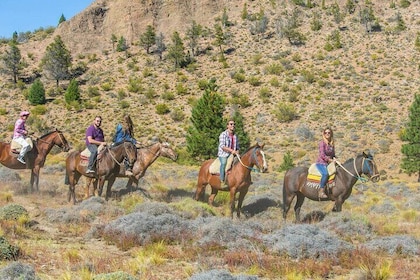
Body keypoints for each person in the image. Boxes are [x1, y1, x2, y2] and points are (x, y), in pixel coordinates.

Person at [218, 119, 239, 187]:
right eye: (231, 124)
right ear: (227, 126)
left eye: (234, 124)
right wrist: (231, 151)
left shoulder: (235, 136)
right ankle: (222, 180)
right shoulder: (223, 134)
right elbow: (222, 146)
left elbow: (237, 146)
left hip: (232, 154)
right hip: (224, 154)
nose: (233, 125)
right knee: (224, 163)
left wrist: (237, 151)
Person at [316, 127, 336, 198]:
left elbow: (333, 154)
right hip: (321, 163)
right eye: (326, 133)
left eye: (329, 133)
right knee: (325, 174)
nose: (327, 134)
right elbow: (322, 155)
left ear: (331, 134)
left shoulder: (331, 144)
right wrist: (329, 160)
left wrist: (335, 159)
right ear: (323, 134)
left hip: (329, 163)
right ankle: (321, 191)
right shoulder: (322, 143)